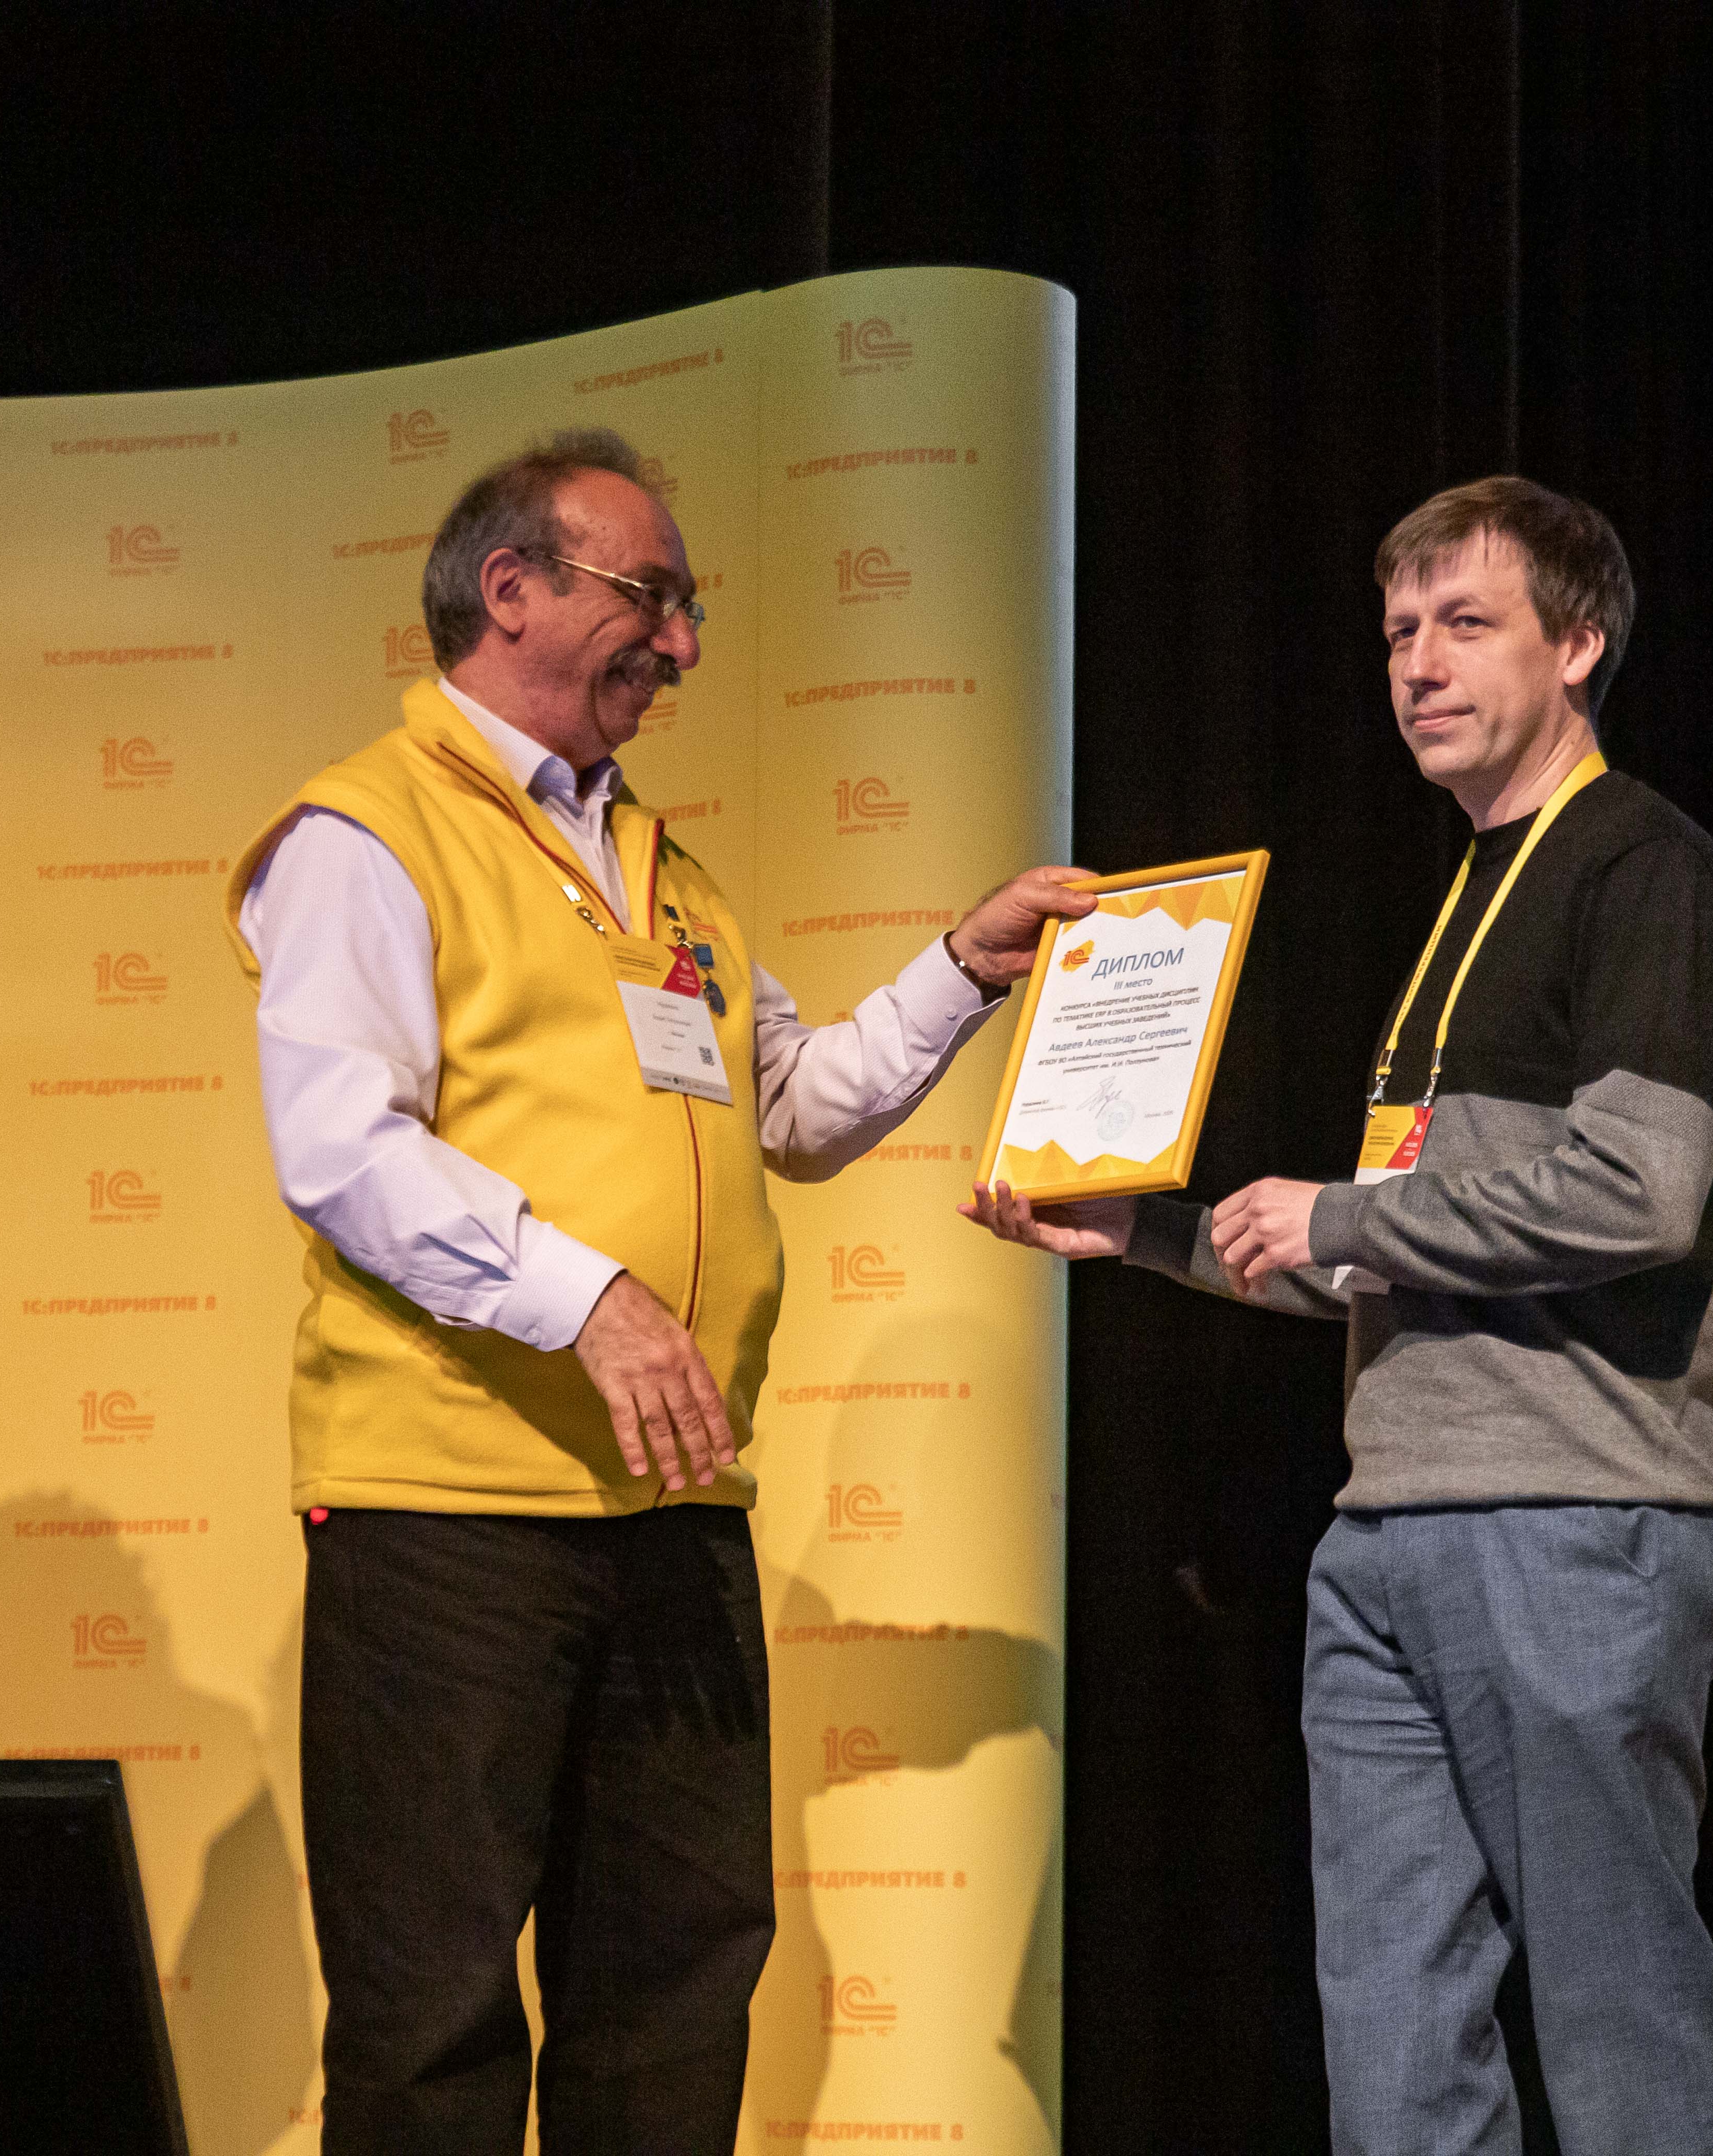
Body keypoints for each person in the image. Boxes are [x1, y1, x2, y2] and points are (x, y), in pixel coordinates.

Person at [224, 426, 1089, 2155]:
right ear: (513, 590)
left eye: (691, 611)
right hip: (451, 1518)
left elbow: (798, 1109)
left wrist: (962, 970)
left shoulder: (661, 868)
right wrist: (593, 1300)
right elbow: (342, 1149)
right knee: (433, 2018)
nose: (685, 645)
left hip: (676, 1508)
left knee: (675, 2003)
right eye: (656, 598)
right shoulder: (368, 832)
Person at [968, 477, 1713, 2155]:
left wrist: (1337, 1214)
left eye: (1465, 623)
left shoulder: (1643, 866)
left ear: (1580, 644)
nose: (1418, 664)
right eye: (1399, 632)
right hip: (1385, 1529)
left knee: (1620, 2022)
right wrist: (1149, 1231)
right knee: (1394, 2039)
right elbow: (1398, 1242)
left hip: (1572, 1521)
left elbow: (1640, 1194)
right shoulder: (1464, 892)